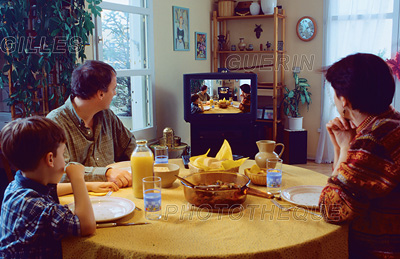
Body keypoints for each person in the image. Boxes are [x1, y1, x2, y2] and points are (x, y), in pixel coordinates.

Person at [319, 53, 400, 258]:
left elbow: (331, 208)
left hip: (378, 250)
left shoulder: (373, 141)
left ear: (344, 100)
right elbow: (342, 183)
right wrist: (340, 149)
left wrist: (347, 146)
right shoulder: (391, 124)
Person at [0, 116, 96, 258]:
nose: (64, 161)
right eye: (63, 154)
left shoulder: (17, 186)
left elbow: (53, 190)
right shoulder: (34, 205)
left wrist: (91, 185)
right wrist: (77, 179)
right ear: (50, 159)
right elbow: (86, 226)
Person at [47, 60, 135, 188]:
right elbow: (59, 173)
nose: (115, 93)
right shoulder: (55, 123)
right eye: (113, 89)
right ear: (100, 94)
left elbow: (129, 146)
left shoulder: (107, 115)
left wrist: (144, 160)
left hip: (113, 193)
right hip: (77, 199)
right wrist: (105, 174)